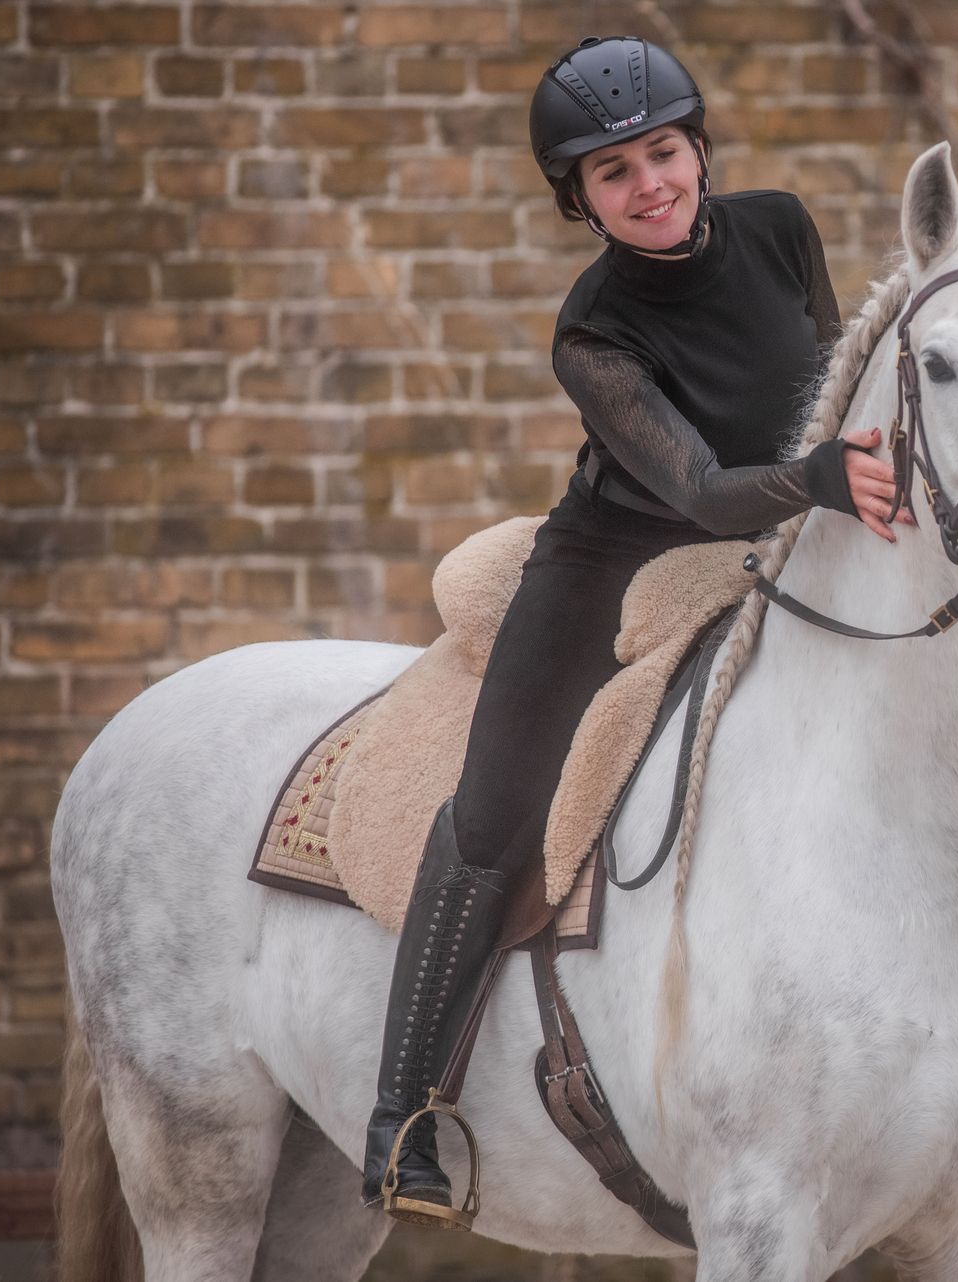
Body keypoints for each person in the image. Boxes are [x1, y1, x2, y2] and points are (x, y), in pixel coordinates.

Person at [358, 35, 908, 1226]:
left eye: (663, 152)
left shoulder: (782, 227)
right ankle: (398, 1111)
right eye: (613, 174)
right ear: (579, 202)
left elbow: (828, 392)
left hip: (784, 523)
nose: (649, 185)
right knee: (495, 811)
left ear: (699, 148)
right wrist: (819, 476)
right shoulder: (591, 331)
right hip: (612, 562)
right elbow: (704, 487)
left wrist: (855, 479)